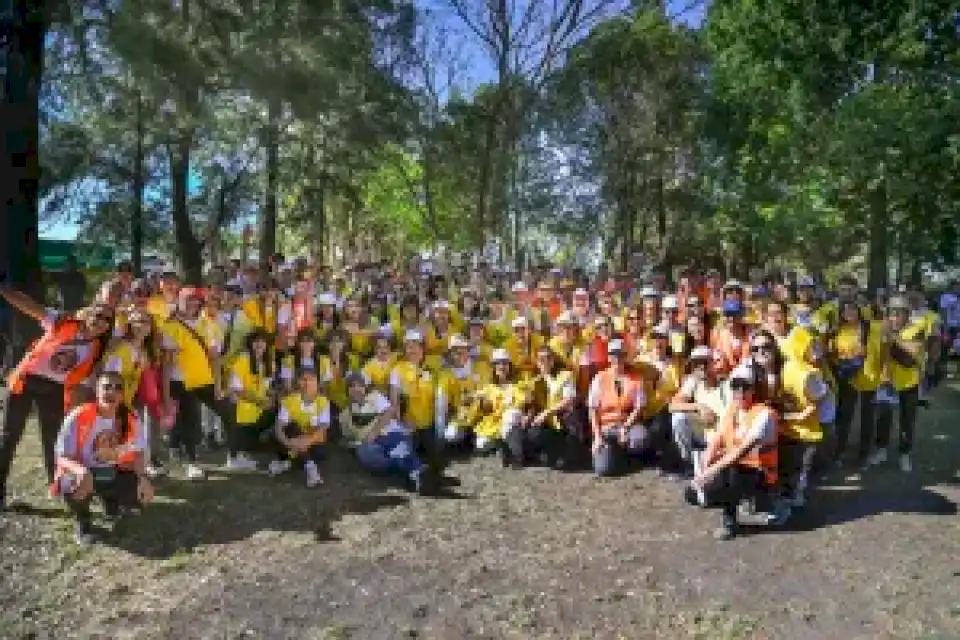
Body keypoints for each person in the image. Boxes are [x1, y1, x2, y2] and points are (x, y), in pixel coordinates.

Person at [0, 284, 114, 510]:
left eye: (107, 320)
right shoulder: (62, 321)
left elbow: (85, 380)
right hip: (27, 381)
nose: (101, 321)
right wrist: (3, 289)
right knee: (10, 436)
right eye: (98, 315)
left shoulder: (96, 348)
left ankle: (58, 484)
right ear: (88, 313)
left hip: (54, 389)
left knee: (53, 440)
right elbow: (29, 306)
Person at [52, 371, 154, 545]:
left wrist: (143, 478)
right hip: (83, 472)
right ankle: (83, 523)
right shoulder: (79, 416)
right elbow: (61, 457)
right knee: (70, 481)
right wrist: (81, 470)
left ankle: (111, 503)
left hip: (113, 471)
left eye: (118, 388)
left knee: (139, 496)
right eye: (107, 387)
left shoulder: (131, 419)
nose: (112, 392)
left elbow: (139, 452)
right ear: (97, 391)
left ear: (122, 394)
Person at [692, 365, 779, 540]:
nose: (739, 392)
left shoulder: (764, 415)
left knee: (729, 475)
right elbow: (719, 437)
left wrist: (711, 471)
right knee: (694, 494)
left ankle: (730, 520)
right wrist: (707, 460)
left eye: (745, 387)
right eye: (735, 386)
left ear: (753, 389)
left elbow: (741, 451)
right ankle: (736, 500)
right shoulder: (732, 409)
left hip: (761, 471)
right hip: (736, 465)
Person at [344, 372, 433, 494]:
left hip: (391, 434)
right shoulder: (346, 414)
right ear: (347, 390)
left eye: (358, 385)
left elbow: (388, 412)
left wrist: (374, 432)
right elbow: (348, 436)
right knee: (365, 454)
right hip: (371, 445)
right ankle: (414, 470)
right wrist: (354, 443)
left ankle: (417, 473)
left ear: (365, 387)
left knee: (397, 447)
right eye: (351, 386)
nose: (355, 389)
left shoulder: (375, 397)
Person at [589, 339, 648, 477]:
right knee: (603, 470)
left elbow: (638, 407)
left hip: (627, 424)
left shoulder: (636, 378)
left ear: (625, 356)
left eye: (621, 355)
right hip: (606, 427)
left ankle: (625, 454)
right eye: (614, 354)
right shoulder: (600, 378)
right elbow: (593, 409)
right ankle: (611, 450)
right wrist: (597, 436)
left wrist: (625, 427)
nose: (618, 358)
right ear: (609, 357)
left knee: (640, 440)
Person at [270, 367, 329, 487]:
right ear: (298, 382)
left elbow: (322, 429)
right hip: (290, 443)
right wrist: (288, 443)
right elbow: (279, 427)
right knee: (292, 427)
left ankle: (287, 462)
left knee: (310, 437)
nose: (307, 383)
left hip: (313, 444)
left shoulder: (323, 402)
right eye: (304, 379)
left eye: (311, 379)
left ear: (317, 382)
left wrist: (307, 441)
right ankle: (311, 470)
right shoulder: (289, 401)